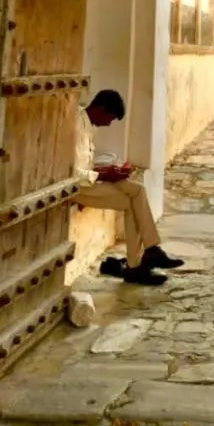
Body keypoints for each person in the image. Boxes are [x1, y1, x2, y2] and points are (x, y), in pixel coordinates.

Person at [73, 89, 183, 286]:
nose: (109, 123)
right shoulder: (76, 126)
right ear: (100, 109)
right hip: (79, 188)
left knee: (137, 190)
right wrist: (105, 174)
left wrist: (112, 169)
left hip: (91, 179)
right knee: (132, 203)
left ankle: (148, 253)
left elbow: (85, 163)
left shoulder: (88, 124)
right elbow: (73, 173)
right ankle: (139, 262)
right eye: (110, 118)